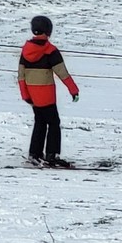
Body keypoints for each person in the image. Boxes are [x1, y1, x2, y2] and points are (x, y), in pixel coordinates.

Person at [18, 15, 81, 167]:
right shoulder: (50, 50)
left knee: (40, 122)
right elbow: (63, 73)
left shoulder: (26, 50)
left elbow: (21, 76)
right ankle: (52, 155)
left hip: (32, 94)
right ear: (48, 31)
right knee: (53, 123)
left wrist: (25, 95)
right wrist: (73, 90)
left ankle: (35, 153)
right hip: (46, 94)